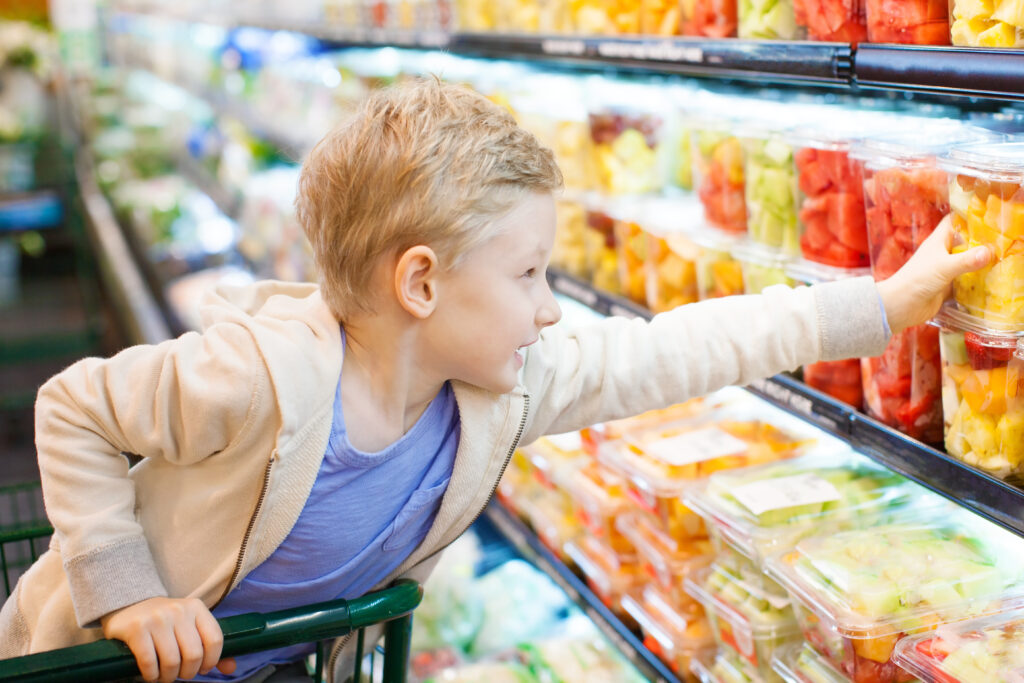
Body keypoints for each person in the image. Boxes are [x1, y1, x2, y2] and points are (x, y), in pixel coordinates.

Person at [0, 78, 991, 683]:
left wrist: (882, 305)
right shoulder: (255, 377)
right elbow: (74, 405)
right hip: (97, 659)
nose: (553, 306)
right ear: (421, 282)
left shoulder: (496, 385)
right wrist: (126, 594)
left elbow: (672, 348)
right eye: (528, 275)